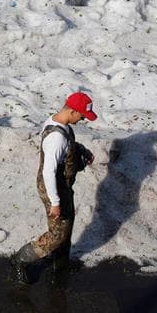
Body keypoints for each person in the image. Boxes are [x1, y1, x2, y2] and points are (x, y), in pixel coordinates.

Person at [11, 91, 96, 284]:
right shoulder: (56, 138)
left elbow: (68, 145)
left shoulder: (59, 123)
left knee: (67, 224)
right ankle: (20, 260)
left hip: (62, 186)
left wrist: (82, 151)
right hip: (53, 188)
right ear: (72, 111)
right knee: (57, 235)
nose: (82, 119)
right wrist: (55, 203)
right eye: (81, 116)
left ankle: (61, 265)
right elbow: (48, 172)